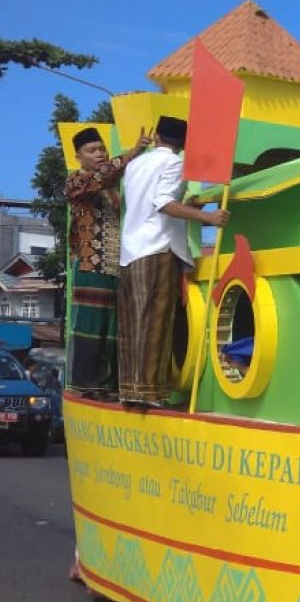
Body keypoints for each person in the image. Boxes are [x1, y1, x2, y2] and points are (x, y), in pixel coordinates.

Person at [118, 116, 228, 408]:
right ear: (184, 143)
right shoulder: (174, 163)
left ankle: (130, 389)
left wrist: (189, 206)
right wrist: (208, 218)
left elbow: (148, 203)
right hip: (157, 248)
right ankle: (150, 392)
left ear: (156, 137)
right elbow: (163, 203)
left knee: (133, 321)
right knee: (156, 320)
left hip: (131, 250)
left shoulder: (135, 163)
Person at [64, 126, 150, 398]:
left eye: (101, 148)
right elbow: (103, 175)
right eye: (92, 150)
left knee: (113, 325)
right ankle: (88, 385)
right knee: (92, 323)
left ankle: (109, 385)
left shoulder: (111, 187)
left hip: (114, 263)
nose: (99, 154)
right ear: (79, 156)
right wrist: (134, 152)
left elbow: (111, 176)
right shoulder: (77, 182)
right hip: (91, 264)